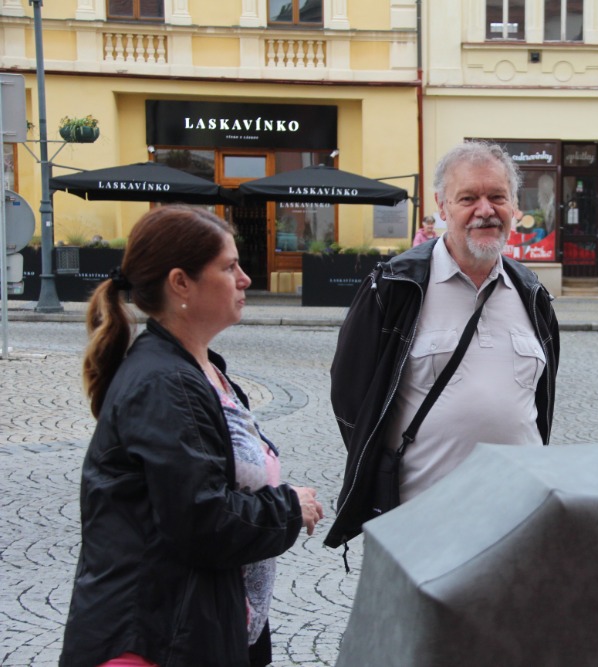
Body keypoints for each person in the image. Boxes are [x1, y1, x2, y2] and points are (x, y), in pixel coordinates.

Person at [60, 206, 324, 667]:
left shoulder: (198, 370)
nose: (244, 279)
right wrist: (287, 508)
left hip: (197, 626)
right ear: (181, 283)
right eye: (229, 267)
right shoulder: (164, 383)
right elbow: (202, 519)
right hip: (157, 640)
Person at [324, 141, 560, 549]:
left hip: (518, 518)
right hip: (422, 520)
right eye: (468, 198)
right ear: (442, 206)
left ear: (514, 205)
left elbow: (538, 401)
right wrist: (384, 478)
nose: (485, 210)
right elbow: (350, 396)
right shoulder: (396, 286)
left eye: (497, 197)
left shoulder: (532, 293)